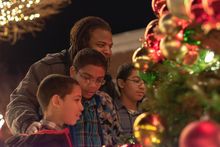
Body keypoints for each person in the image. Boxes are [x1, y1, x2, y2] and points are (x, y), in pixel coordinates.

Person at [5, 16, 118, 135]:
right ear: (82, 44)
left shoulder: (106, 81)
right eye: (101, 45)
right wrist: (28, 125)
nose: (108, 52)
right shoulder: (49, 68)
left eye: (110, 46)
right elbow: (19, 102)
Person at [5, 74, 83, 147]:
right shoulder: (46, 141)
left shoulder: (53, 136)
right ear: (56, 101)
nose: (81, 107)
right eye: (76, 100)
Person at [69, 48, 121, 146]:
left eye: (99, 80)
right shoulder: (63, 102)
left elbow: (117, 138)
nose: (93, 85)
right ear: (73, 72)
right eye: (86, 78)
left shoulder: (105, 101)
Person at [114, 63, 146, 140]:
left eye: (144, 82)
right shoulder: (110, 111)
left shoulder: (146, 112)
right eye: (136, 81)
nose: (142, 86)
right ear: (121, 83)